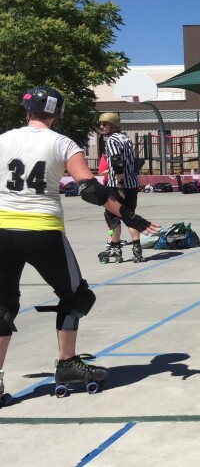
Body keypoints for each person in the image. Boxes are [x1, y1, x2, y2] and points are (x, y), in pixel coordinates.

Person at [0, 86, 158, 400]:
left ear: (26, 110)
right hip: (42, 231)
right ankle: (67, 363)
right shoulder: (62, 143)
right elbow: (90, 190)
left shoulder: (3, 139)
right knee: (76, 298)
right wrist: (129, 216)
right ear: (57, 113)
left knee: (3, 306)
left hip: (2, 229)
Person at [97, 112, 144, 263]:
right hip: (132, 183)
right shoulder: (126, 137)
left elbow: (117, 163)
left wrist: (119, 186)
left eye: (105, 124)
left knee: (112, 217)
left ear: (113, 125)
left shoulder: (112, 140)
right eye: (101, 124)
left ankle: (115, 247)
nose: (102, 126)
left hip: (117, 184)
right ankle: (137, 250)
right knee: (130, 216)